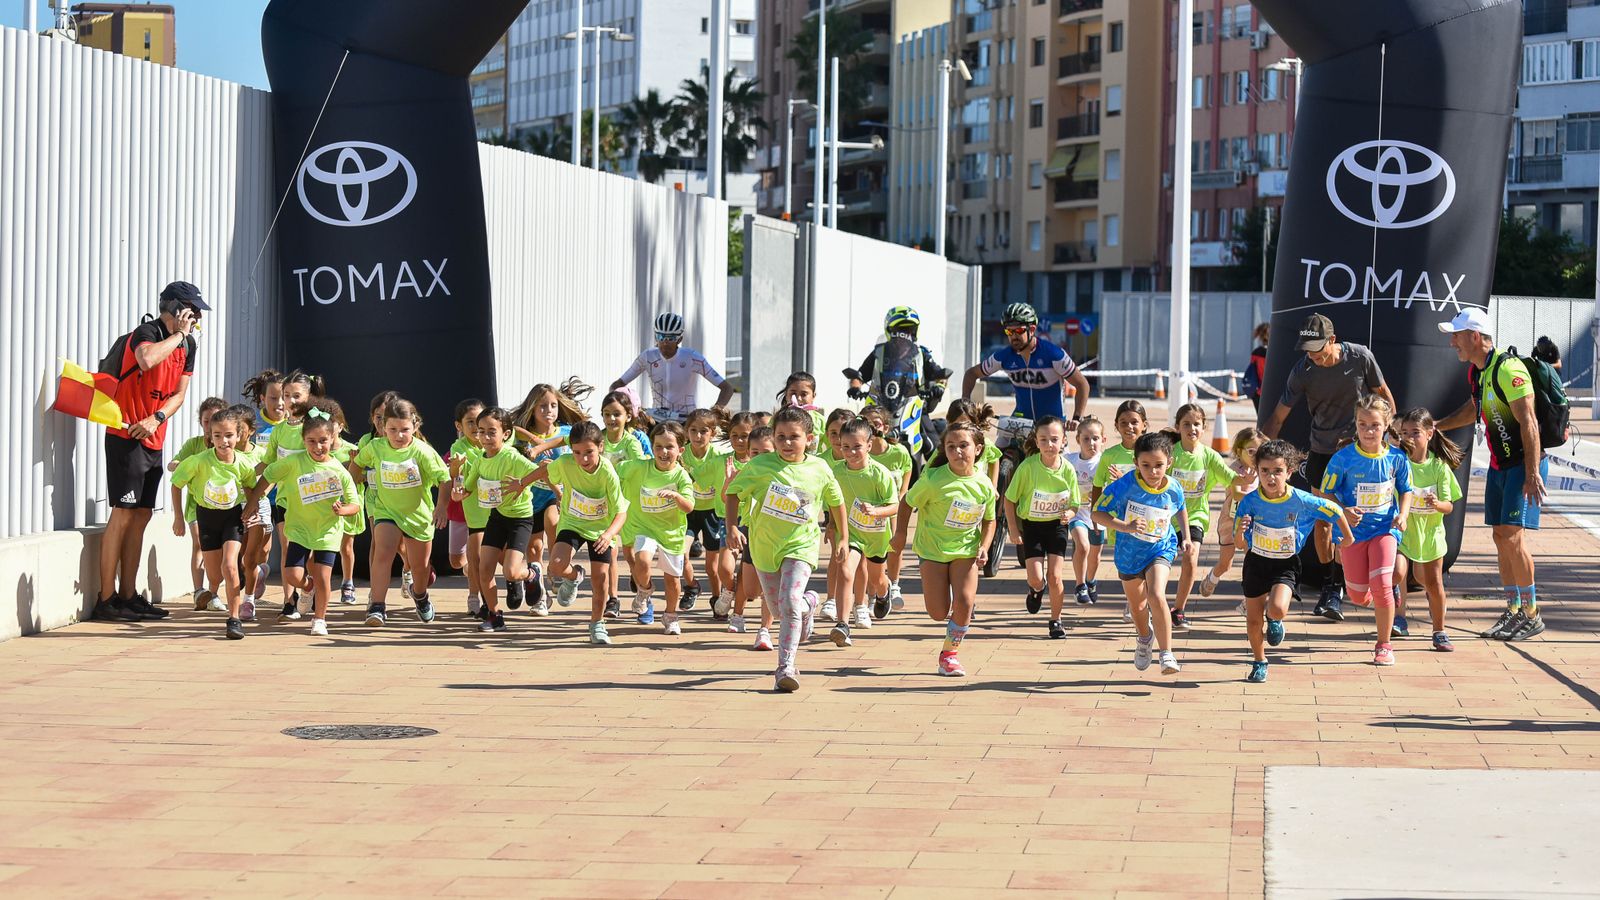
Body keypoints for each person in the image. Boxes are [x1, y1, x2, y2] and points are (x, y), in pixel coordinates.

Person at [1260, 312, 1395, 622]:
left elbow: (1384, 397)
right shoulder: (1303, 370)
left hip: (1360, 452)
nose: (1314, 357)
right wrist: (1258, 455)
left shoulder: (1360, 356)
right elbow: (1278, 417)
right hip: (1322, 451)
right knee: (1325, 518)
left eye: (1319, 350)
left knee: (1370, 515)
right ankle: (1331, 587)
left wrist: (1386, 439)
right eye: (1308, 350)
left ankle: (1383, 580)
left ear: (1333, 341)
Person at [93, 281, 206, 623]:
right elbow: (145, 360)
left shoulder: (189, 345)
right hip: (124, 434)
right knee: (123, 513)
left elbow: (179, 394)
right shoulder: (148, 331)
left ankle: (128, 594)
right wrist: (177, 334)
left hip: (153, 436)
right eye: (192, 309)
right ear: (174, 308)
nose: (197, 316)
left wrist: (157, 418)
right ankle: (106, 599)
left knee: (141, 516)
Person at [1434, 308, 1547, 642]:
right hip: (1499, 465)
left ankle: (1531, 612)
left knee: (1513, 537)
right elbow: (1475, 408)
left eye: (1456, 335)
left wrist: (1531, 473)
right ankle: (1513, 609)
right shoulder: (1477, 373)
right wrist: (1438, 426)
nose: (1452, 341)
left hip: (1519, 467)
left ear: (1475, 336)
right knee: (1500, 536)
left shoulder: (1509, 368)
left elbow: (1529, 421)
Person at [725, 408, 847, 693]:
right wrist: (731, 527)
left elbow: (837, 502)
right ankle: (810, 604)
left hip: (800, 545)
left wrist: (843, 537)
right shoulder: (760, 466)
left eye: (794, 437)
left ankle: (785, 667)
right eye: (781, 437)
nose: (787, 443)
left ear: (810, 439)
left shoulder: (819, 468)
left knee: (789, 601)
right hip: (765, 547)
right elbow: (733, 493)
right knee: (781, 610)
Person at [1232, 440, 1354, 683]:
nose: (1270, 477)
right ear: (1257, 471)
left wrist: (1346, 537)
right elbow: (1239, 543)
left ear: (1289, 472)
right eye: (1264, 471)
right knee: (1253, 619)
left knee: (1276, 608)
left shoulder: (1301, 500)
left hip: (1285, 563)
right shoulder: (1249, 502)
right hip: (1256, 562)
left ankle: (1275, 620)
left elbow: (1334, 510)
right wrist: (1240, 531)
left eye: (1277, 471)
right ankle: (1259, 661)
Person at [244, 400, 360, 637]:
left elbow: (355, 504)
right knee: (293, 576)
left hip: (327, 531)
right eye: (312, 441)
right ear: (304, 441)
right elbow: (267, 475)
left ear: (331, 440)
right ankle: (307, 588)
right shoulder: (294, 462)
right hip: (298, 528)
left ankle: (320, 619)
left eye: (323, 441)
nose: (318, 447)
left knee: (324, 577)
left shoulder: (339, 471)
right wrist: (254, 500)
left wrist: (343, 510)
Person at [893, 417, 998, 678]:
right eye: (951, 447)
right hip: (933, 551)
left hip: (966, 551)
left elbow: (989, 520)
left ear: (978, 449)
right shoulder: (934, 480)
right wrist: (901, 533)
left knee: (965, 601)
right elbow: (907, 502)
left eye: (964, 445)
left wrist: (984, 547)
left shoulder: (984, 483)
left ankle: (949, 655)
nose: (957, 451)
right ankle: (951, 614)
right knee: (938, 612)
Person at [1319, 396, 1413, 666]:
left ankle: (1384, 645)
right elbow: (1326, 493)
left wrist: (1403, 515)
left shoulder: (1396, 458)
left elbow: (1406, 490)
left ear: (1386, 426)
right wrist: (1343, 511)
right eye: (1363, 425)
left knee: (1383, 585)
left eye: (1375, 425)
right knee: (1359, 595)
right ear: (1356, 425)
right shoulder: (1343, 459)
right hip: (1352, 534)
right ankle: (1378, 595)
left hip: (1385, 529)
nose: (1369, 431)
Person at [1093, 431, 1190, 676]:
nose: (1153, 471)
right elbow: (1097, 513)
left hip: (1160, 548)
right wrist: (1123, 526)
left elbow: (1180, 509)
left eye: (1159, 465)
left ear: (1169, 462)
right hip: (1129, 554)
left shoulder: (1174, 487)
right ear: (1136, 462)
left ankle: (1166, 653)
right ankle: (1144, 638)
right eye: (1146, 465)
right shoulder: (1125, 486)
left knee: (1157, 593)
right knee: (1138, 607)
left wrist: (1185, 536)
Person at [355, 396, 449, 626]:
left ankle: (420, 595)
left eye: (404, 430)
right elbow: (356, 464)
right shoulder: (375, 447)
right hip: (386, 510)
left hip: (418, 515)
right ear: (383, 427)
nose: (398, 435)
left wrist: (441, 507)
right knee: (383, 553)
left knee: (419, 568)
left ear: (415, 426)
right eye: (392, 429)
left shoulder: (423, 452)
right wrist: (351, 489)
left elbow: (445, 479)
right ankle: (377, 606)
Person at [169, 407, 260, 640]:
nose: (223, 441)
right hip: (207, 517)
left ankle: (234, 619)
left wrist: (252, 507)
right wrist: (179, 517)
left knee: (229, 566)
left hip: (232, 517)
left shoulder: (243, 464)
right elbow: (176, 484)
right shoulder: (198, 461)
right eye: (217, 435)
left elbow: (251, 487)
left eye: (228, 435)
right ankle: (224, 584)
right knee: (215, 575)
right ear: (210, 436)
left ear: (238, 435)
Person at [456, 407, 543, 634]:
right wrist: (457, 483)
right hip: (496, 517)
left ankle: (532, 574)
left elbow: (546, 470)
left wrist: (522, 482)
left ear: (505, 434)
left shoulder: (512, 457)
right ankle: (495, 616)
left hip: (520, 519)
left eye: (491, 432)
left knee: (512, 573)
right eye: (481, 431)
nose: (484, 437)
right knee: (484, 570)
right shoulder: (480, 461)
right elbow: (462, 491)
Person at [1003, 416, 1081, 638]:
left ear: (1063, 441)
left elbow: (1075, 503)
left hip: (1056, 526)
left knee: (1055, 576)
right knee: (1036, 577)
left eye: (1054, 439)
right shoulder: (1028, 467)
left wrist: (1070, 513)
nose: (1049, 445)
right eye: (1044, 440)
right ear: (1036, 442)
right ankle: (1036, 589)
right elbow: (1010, 500)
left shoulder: (1067, 469)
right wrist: (1013, 528)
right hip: (1033, 526)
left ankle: (1056, 620)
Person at [1393, 408, 1464, 652]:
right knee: (1397, 572)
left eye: (1415, 432)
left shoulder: (1439, 467)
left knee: (1432, 583)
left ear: (1430, 433)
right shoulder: (1398, 463)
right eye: (1404, 433)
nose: (1410, 438)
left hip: (1431, 535)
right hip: (1403, 530)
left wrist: (1437, 504)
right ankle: (1398, 618)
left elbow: (1449, 506)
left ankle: (1439, 631)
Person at [618, 422, 697, 634]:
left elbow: (689, 507)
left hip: (671, 533)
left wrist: (677, 496)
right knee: (641, 560)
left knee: (672, 581)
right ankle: (644, 591)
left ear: (680, 450)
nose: (663, 452)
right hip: (644, 527)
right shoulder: (639, 466)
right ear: (652, 447)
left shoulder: (681, 476)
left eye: (669, 447)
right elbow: (612, 470)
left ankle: (670, 615)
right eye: (658, 446)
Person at [828, 417, 900, 646]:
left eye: (857, 447)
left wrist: (877, 511)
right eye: (845, 447)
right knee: (846, 570)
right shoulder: (835, 472)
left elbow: (896, 505)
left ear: (869, 445)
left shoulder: (880, 474)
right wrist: (831, 524)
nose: (850, 452)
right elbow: (830, 500)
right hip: (850, 534)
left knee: (877, 580)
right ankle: (842, 624)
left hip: (876, 537)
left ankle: (883, 591)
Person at [1167, 403, 1238, 631]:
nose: (1192, 428)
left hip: (1195, 516)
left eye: (1196, 424)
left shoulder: (1209, 456)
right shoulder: (1170, 454)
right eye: (1186, 424)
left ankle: (1178, 610)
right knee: (1159, 564)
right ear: (1178, 427)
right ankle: (1145, 602)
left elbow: (1232, 479)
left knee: (1191, 558)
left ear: (1204, 427)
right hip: (1165, 517)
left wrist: (1255, 479)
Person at [960, 302, 1090, 424]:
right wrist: (965, 403)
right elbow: (971, 374)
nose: (1014, 336)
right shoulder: (1004, 356)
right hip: (1022, 423)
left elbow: (1082, 384)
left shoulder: (1054, 354)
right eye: (1009, 331)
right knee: (998, 446)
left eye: (1019, 331)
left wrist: (1077, 418)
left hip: (1051, 426)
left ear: (1032, 329)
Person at [610, 312, 735, 415]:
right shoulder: (648, 356)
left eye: (670, 338)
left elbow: (727, 388)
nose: (665, 342)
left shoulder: (692, 357)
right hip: (657, 418)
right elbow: (618, 384)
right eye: (660, 337)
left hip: (685, 418)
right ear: (655, 337)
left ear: (679, 339)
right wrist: (621, 408)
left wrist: (714, 413)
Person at [846, 306, 951, 413]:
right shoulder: (879, 353)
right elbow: (859, 377)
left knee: (930, 430)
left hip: (914, 410)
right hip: (880, 409)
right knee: (859, 428)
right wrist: (855, 388)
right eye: (898, 330)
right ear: (889, 331)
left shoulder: (921, 354)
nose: (904, 334)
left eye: (909, 330)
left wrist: (939, 386)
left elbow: (940, 375)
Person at [1068, 416, 1106, 606]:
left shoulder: (1105, 463)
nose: (1091, 443)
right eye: (1086, 439)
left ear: (1103, 440)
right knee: (1082, 546)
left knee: (1095, 556)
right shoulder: (1069, 460)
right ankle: (1080, 585)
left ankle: (1091, 581)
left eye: (1096, 438)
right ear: (1078, 440)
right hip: (1076, 513)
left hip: (1098, 516)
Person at [1241, 323, 1270, 412]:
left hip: (1258, 391)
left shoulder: (1256, 353)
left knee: (1261, 420)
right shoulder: (1275, 353)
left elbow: (1252, 371)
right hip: (1273, 391)